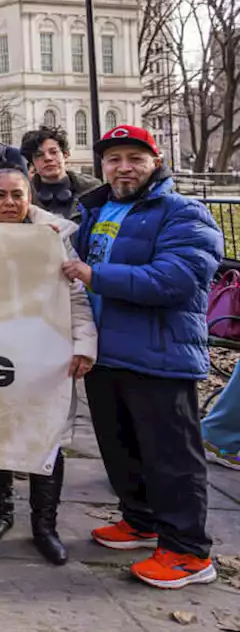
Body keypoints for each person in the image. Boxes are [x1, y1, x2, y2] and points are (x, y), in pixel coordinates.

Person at [67, 125, 223, 589]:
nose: (124, 167)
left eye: (135, 157)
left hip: (159, 353)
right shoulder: (95, 210)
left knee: (171, 457)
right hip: (106, 352)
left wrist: (96, 275)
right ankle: (140, 520)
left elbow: (175, 279)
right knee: (121, 449)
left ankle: (188, 552)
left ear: (156, 161)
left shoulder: (183, 212)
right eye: (114, 159)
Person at [0, 166, 97, 565]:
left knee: (47, 437)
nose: (10, 203)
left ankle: (45, 526)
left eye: (17, 195)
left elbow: (75, 296)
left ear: (30, 198)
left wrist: (84, 345)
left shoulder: (56, 239)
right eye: (1, 195)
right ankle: (0, 512)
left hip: (44, 352)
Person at [21, 125, 100, 221]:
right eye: (39, 155)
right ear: (32, 162)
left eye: (53, 152)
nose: (48, 158)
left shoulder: (93, 189)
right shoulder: (22, 196)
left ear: (66, 155)